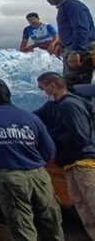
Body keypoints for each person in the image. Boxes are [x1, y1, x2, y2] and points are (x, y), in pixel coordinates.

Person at [0, 78, 63, 241]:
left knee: (22, 226)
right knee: (51, 223)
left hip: (11, 177)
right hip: (40, 176)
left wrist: (1, 148)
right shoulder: (31, 117)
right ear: (8, 94)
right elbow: (49, 151)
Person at [34, 72, 95, 239]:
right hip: (70, 165)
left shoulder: (69, 105)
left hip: (84, 165)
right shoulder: (52, 105)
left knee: (92, 207)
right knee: (84, 212)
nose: (41, 92)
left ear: (52, 86)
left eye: (42, 88)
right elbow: (33, 117)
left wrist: (50, 138)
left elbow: (81, 136)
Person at [36, 0, 95, 86]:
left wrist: (75, 51)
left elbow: (81, 29)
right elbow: (69, 30)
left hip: (82, 50)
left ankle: (79, 102)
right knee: (71, 86)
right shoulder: (64, 7)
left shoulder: (72, 6)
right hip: (73, 48)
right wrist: (61, 44)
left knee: (75, 87)